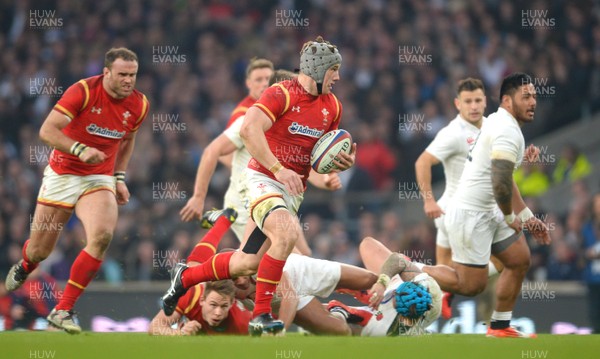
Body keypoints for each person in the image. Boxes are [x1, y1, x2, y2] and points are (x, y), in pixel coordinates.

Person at [161, 36, 355, 336]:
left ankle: (185, 278)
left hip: (290, 192)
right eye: (334, 70)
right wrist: (278, 169)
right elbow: (251, 130)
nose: (338, 77)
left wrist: (337, 163)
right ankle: (262, 316)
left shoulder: (333, 106)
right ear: (317, 70)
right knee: (288, 234)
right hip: (262, 179)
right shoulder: (281, 94)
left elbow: (317, 155)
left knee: (246, 263)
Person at [4, 47, 150, 334]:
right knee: (40, 250)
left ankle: (63, 309)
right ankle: (26, 263)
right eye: (122, 74)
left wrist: (119, 176)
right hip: (63, 174)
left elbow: (128, 139)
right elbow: (47, 131)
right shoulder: (82, 91)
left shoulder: (139, 104)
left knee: (102, 236)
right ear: (106, 72)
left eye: (133, 75)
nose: (128, 81)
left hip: (99, 179)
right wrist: (79, 149)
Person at [416, 73, 551, 338]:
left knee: (519, 259)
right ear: (507, 101)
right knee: (471, 286)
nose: (533, 102)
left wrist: (526, 216)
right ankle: (409, 267)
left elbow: (503, 173)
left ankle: (500, 327)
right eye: (526, 97)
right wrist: (512, 216)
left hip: (487, 211)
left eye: (534, 96)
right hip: (469, 215)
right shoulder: (505, 130)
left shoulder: (496, 122)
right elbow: (500, 180)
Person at [179, 69, 340, 257]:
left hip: (279, 198)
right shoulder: (249, 120)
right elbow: (213, 151)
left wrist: (326, 181)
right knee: (288, 260)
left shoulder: (295, 128)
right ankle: (199, 268)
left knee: (303, 254)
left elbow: (305, 169)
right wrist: (199, 197)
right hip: (250, 202)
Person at [415, 78, 503, 319]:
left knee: (444, 275)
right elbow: (422, 161)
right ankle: (412, 271)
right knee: (508, 259)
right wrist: (427, 200)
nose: (473, 106)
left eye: (477, 100)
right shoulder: (454, 133)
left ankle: (426, 297)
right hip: (465, 213)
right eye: (468, 101)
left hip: (450, 212)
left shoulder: (490, 127)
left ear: (485, 101)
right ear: (457, 104)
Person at [179, 58, 275, 243]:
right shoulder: (245, 115)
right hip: (249, 197)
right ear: (248, 83)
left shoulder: (275, 113)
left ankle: (222, 221)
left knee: (280, 258)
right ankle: (190, 270)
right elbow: (218, 152)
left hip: (269, 196)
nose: (264, 84)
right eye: (259, 79)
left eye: (268, 80)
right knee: (281, 258)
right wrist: (199, 196)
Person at [327, 236, 442, 336]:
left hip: (390, 319)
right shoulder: (429, 287)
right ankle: (370, 291)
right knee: (368, 245)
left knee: (335, 312)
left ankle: (366, 293)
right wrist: (382, 282)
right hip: (420, 302)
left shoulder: (386, 328)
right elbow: (396, 259)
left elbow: (349, 328)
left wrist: (340, 312)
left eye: (395, 297)